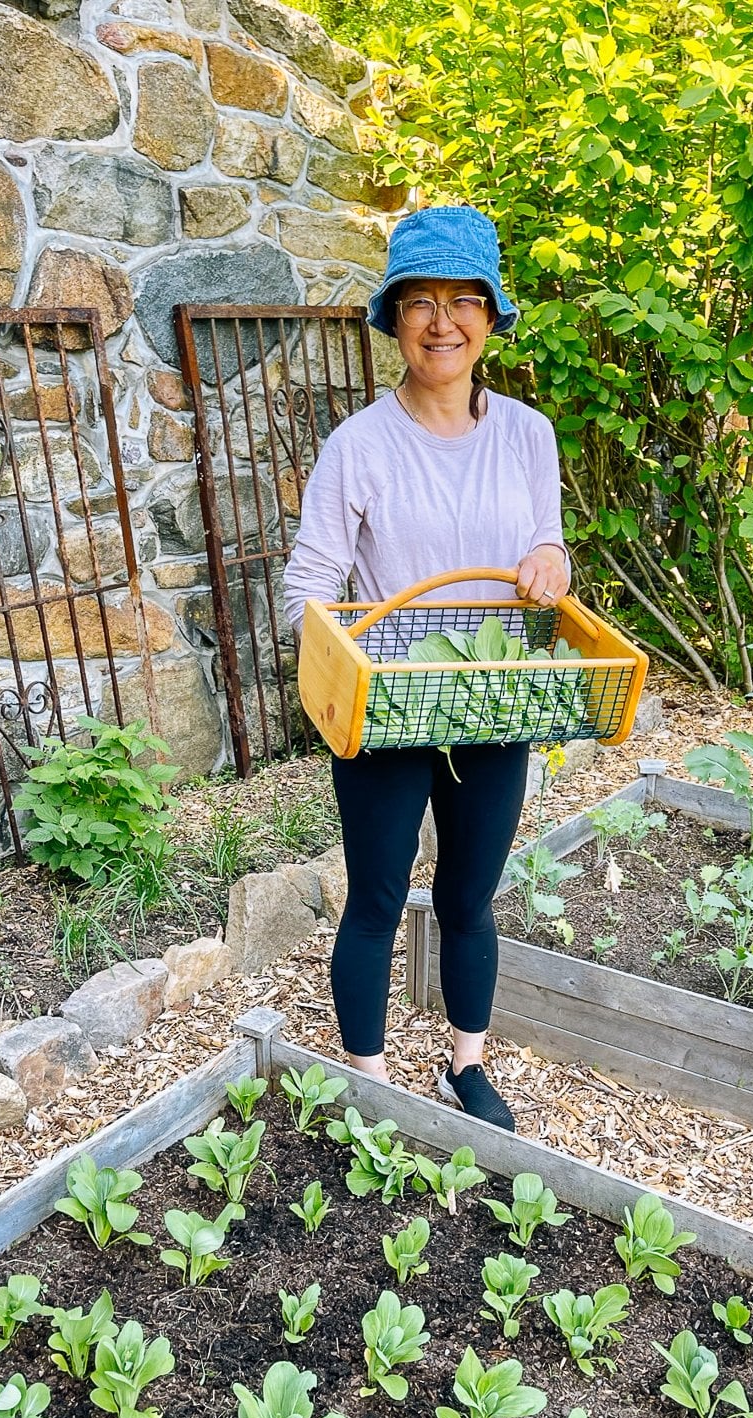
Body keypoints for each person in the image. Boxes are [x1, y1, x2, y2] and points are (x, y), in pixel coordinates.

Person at [282, 204, 570, 1130]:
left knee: (468, 898)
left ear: (491, 317)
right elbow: (308, 589)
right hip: (391, 703)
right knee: (374, 897)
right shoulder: (359, 447)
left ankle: (465, 1068)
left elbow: (545, 550)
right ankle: (366, 1080)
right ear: (394, 321)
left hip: (496, 694)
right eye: (420, 303)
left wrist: (553, 565)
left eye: (462, 300)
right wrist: (350, 668)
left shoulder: (529, 435)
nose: (442, 322)